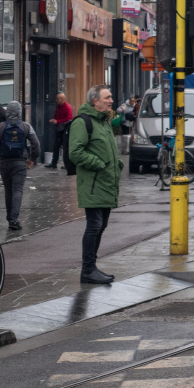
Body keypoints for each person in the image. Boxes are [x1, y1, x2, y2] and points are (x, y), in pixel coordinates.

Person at [70, 85, 122, 285]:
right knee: (94, 225)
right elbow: (75, 152)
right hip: (93, 183)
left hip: (107, 182)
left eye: (111, 97)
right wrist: (99, 164)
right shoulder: (83, 122)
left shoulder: (104, 122)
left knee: (102, 225)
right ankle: (88, 270)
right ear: (95, 101)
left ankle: (92, 268)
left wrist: (116, 164)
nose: (111, 101)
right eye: (107, 97)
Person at [0, 101, 40, 231]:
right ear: (19, 112)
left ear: (7, 111)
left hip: (4, 162)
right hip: (20, 163)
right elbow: (36, 144)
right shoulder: (26, 127)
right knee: (17, 190)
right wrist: (32, 159)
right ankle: (14, 219)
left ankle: (9, 217)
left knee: (8, 190)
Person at [49, 93, 74, 170]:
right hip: (59, 129)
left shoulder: (68, 107)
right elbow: (56, 115)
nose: (56, 100)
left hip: (65, 129)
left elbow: (68, 119)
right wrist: (54, 120)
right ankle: (54, 163)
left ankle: (66, 164)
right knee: (56, 146)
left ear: (62, 99)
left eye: (57, 99)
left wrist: (57, 121)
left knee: (65, 148)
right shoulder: (58, 106)